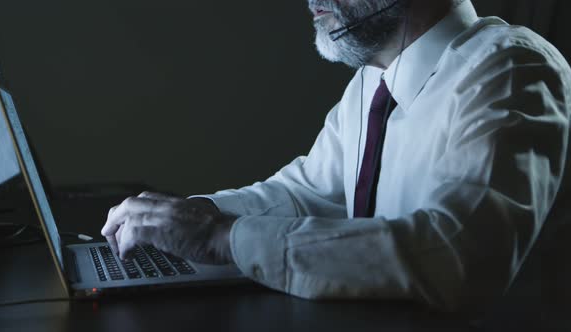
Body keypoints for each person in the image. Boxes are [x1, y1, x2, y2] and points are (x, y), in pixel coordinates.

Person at [101, 0, 571, 312]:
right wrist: (189, 217)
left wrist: (225, 238)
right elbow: (309, 193)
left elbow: (455, 254)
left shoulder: (510, 66)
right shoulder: (372, 81)